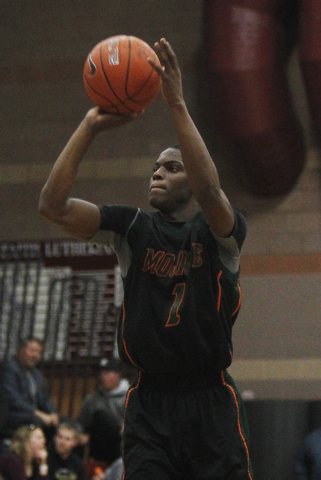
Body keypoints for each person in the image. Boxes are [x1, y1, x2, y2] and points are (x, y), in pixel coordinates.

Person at [38, 37, 253, 479]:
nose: (157, 172)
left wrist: (175, 102)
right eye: (155, 167)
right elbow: (52, 207)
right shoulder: (133, 229)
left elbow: (211, 191)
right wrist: (89, 127)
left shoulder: (218, 232)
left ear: (190, 180)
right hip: (150, 404)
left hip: (210, 400)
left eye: (171, 168)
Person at [0, 337, 59, 444]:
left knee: (64, 425)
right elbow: (14, 399)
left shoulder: (37, 374)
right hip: (14, 416)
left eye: (39, 352)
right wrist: (38, 414)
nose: (35, 355)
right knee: (35, 423)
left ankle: (49, 458)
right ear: (21, 350)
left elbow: (45, 399)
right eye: (32, 350)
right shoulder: (10, 369)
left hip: (35, 415)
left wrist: (52, 414)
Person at [77, 358, 128, 466]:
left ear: (117, 375)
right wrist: (80, 434)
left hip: (121, 446)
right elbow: (80, 423)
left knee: (101, 416)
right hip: (98, 448)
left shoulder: (130, 397)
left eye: (107, 373)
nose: (102, 377)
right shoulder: (92, 400)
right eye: (100, 373)